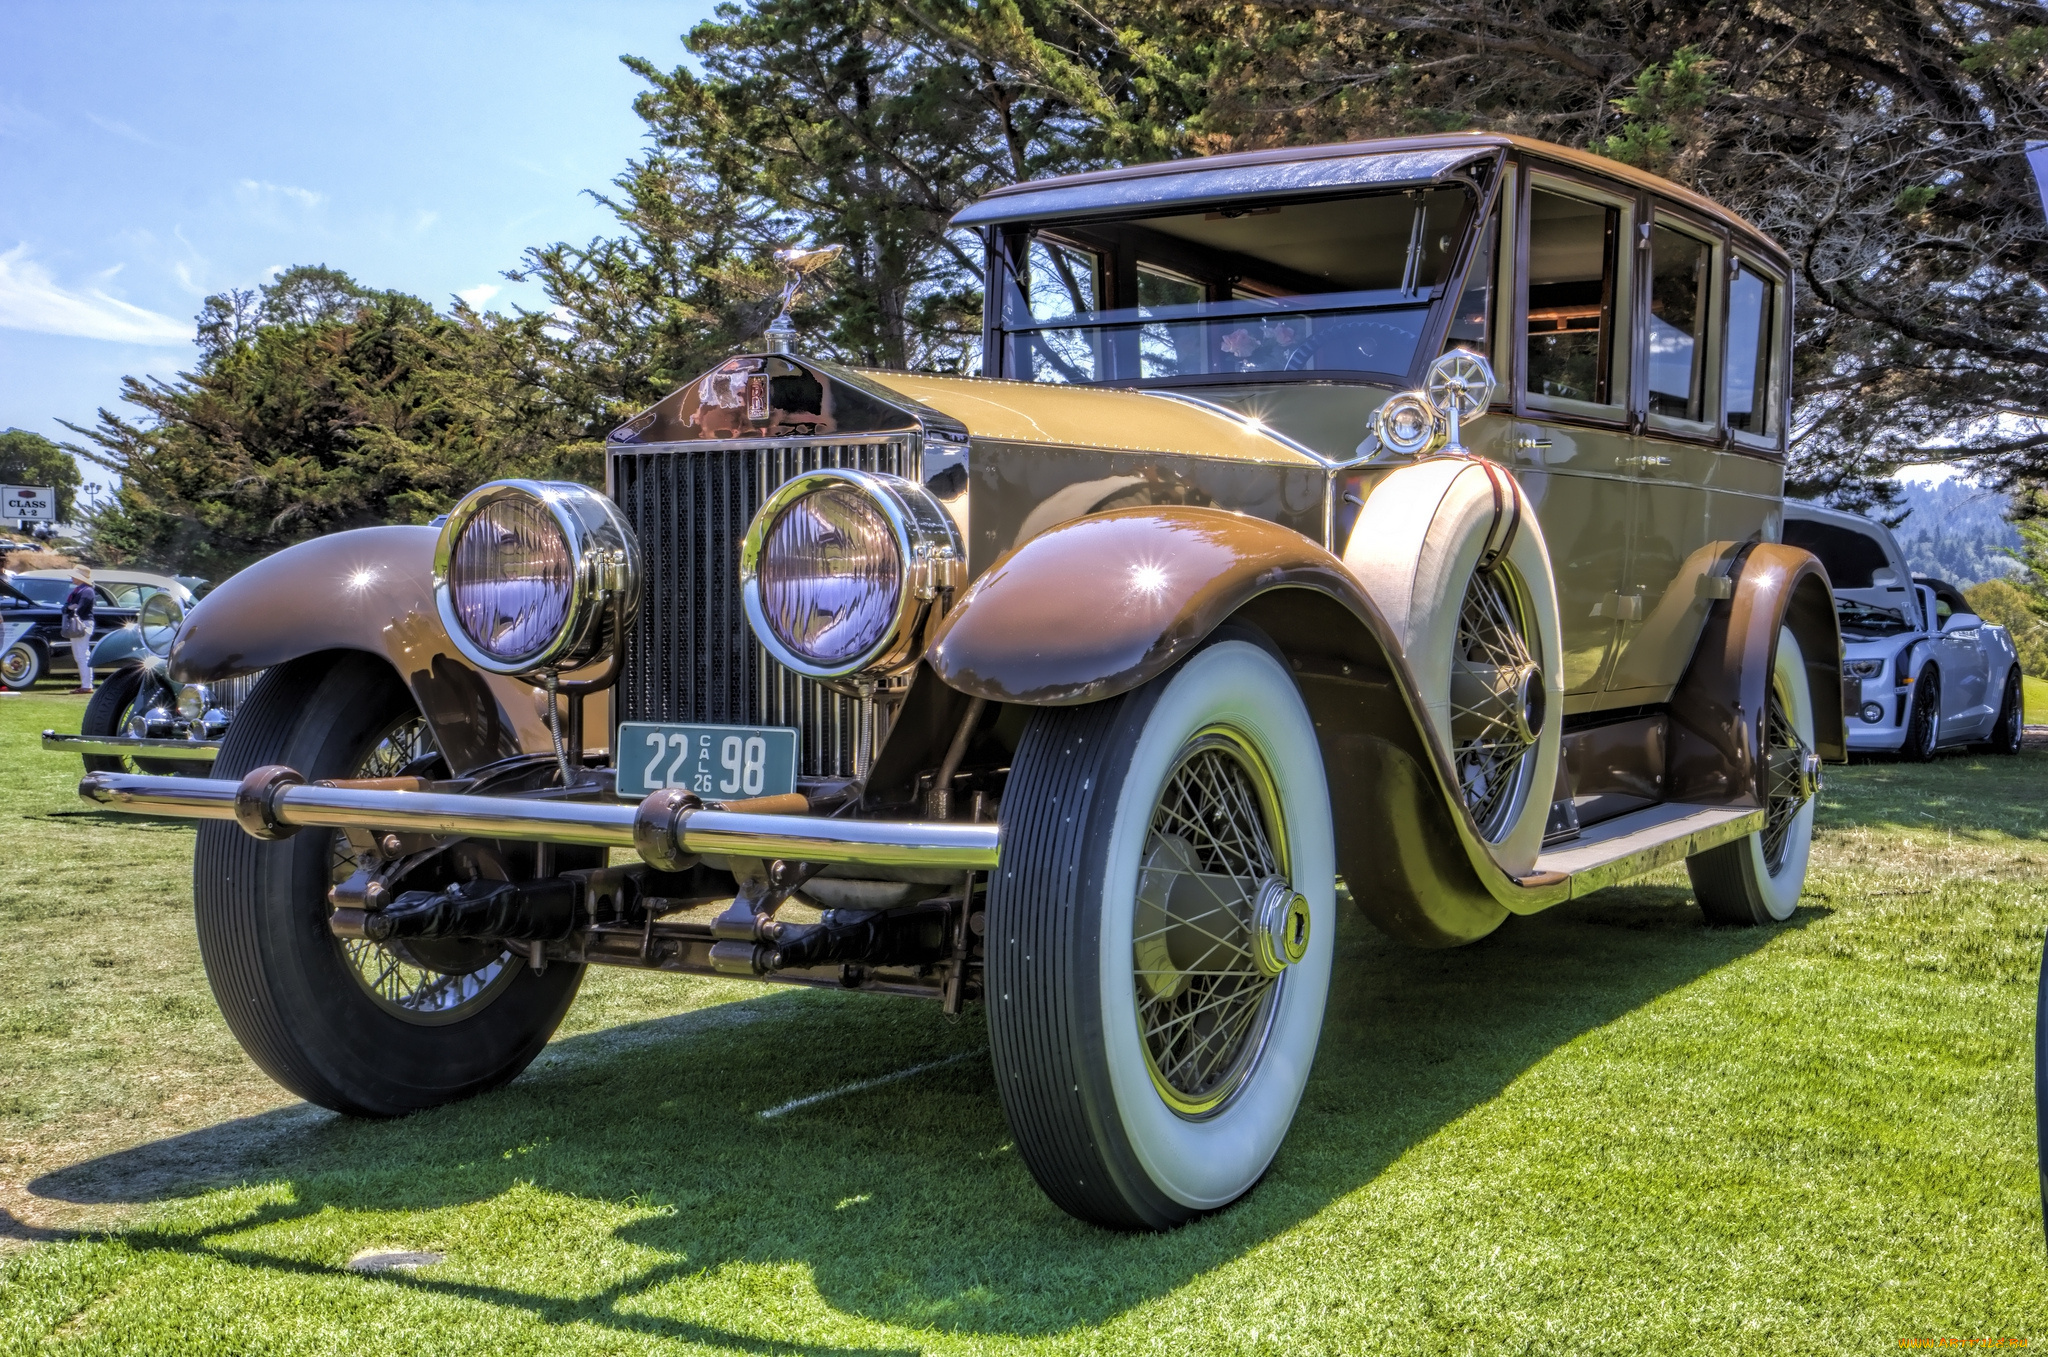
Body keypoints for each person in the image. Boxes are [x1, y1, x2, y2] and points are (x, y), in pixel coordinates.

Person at [60, 565, 95, 694]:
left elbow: (77, 608)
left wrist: (69, 608)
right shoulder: (79, 591)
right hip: (78, 623)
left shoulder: (87, 591)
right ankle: (85, 684)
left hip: (83, 623)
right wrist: (69, 608)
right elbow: (67, 607)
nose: (72, 578)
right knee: (79, 655)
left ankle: (87, 685)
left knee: (82, 655)